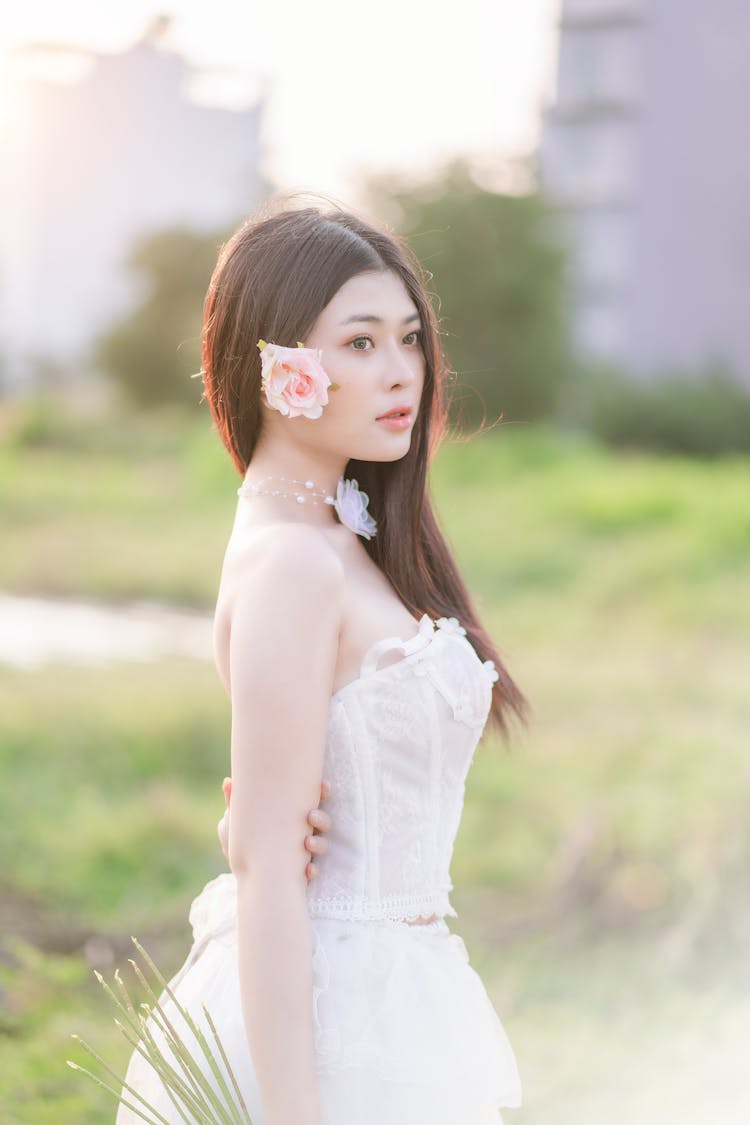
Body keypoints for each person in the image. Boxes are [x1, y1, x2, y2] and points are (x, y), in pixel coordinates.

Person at [115, 193, 529, 1125]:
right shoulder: (294, 559)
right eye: (360, 343)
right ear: (278, 366)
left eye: (411, 339)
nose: (402, 373)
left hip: (396, 991)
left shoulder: (336, 533)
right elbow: (267, 866)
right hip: (331, 1009)